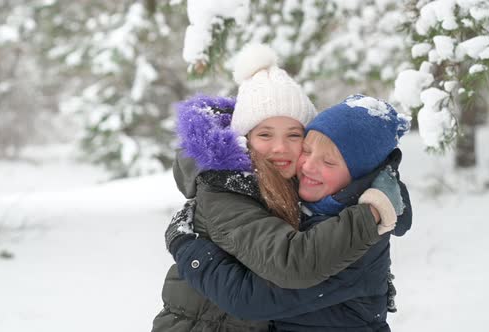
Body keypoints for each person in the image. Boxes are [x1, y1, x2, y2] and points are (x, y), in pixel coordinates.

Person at [151, 44, 402, 332]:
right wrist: (370, 213)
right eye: (265, 134)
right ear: (245, 138)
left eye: (294, 135)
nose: (280, 147)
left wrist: (384, 184)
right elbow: (285, 264)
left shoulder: (298, 185)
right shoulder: (227, 187)